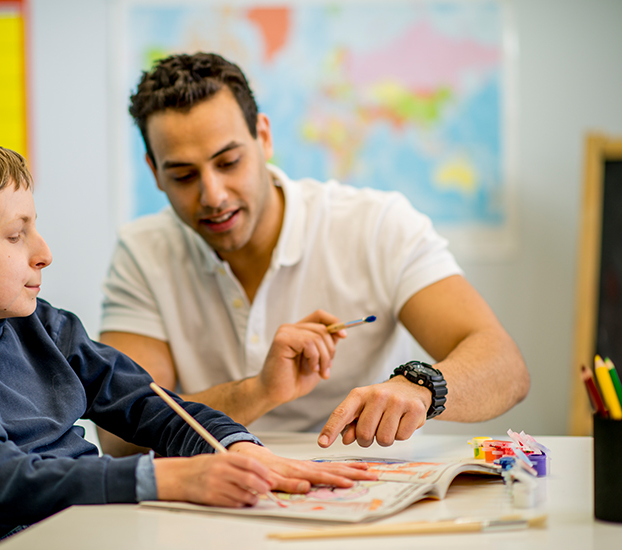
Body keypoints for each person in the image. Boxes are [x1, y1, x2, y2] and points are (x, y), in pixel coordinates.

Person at [0, 132, 374, 550]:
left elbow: (149, 403)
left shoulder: (43, 324)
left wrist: (236, 448)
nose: (44, 252)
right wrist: (173, 480)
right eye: (16, 236)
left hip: (79, 527)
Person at [98, 52, 529, 457]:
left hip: (362, 486)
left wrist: (420, 387)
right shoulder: (143, 252)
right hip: (214, 489)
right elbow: (119, 433)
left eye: (229, 162)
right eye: (184, 175)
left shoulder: (377, 225)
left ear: (263, 137)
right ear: (155, 172)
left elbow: (504, 366)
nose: (213, 195)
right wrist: (260, 390)